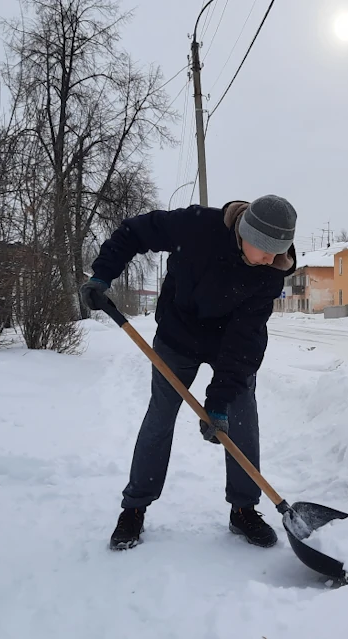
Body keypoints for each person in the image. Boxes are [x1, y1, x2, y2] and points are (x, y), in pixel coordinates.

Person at [79, 195, 298, 551]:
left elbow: (245, 342)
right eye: (265, 250)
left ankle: (243, 509)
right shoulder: (196, 226)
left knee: (242, 416)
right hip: (177, 337)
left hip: (227, 344)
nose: (271, 260)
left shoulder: (271, 273)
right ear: (245, 233)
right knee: (160, 415)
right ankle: (134, 507)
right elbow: (135, 231)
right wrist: (103, 274)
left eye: (278, 253)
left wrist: (218, 403)